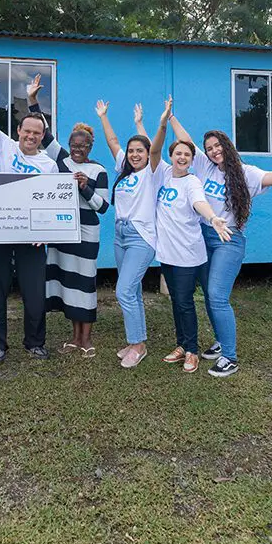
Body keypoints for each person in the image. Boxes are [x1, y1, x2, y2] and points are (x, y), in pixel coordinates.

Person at [170, 118, 272, 377]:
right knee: (210, 295)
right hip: (203, 237)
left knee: (218, 296)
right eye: (209, 148)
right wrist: (171, 117)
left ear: (227, 146)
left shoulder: (245, 172)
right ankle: (221, 340)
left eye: (217, 145)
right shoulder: (205, 167)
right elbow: (186, 140)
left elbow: (268, 177)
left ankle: (230, 357)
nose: (213, 151)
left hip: (228, 240)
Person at [0, 56, 58, 363]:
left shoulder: (48, 164)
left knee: (35, 294)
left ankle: (35, 342)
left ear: (41, 136)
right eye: (27, 131)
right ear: (19, 131)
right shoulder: (2, 146)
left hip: (32, 237)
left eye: (37, 133)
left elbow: (51, 200)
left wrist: (45, 229)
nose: (31, 136)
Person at [148, 98, 232, 375]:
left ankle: (193, 350)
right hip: (167, 254)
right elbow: (155, 149)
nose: (182, 158)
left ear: (193, 159)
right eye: (178, 154)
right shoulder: (162, 175)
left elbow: (200, 203)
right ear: (171, 157)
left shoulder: (193, 181)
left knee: (185, 303)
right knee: (176, 301)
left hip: (188, 254)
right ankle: (182, 345)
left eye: (187, 155)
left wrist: (213, 217)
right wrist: (165, 122)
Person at [26, 78, 109, 357]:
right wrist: (32, 101)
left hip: (87, 234)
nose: (77, 149)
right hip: (63, 233)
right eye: (74, 144)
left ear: (90, 146)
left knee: (84, 284)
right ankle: (74, 338)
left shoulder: (98, 170)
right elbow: (44, 133)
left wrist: (85, 186)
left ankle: (87, 339)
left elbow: (103, 206)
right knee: (67, 283)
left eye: (83, 146)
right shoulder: (61, 160)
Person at [97, 101, 159, 369]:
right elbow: (112, 140)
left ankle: (138, 344)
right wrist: (103, 117)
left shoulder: (152, 173)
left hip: (140, 237)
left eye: (139, 151)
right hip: (120, 234)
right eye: (131, 151)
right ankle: (136, 341)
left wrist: (140, 125)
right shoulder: (124, 170)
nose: (134, 155)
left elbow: (154, 145)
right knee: (131, 291)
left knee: (123, 291)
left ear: (147, 154)